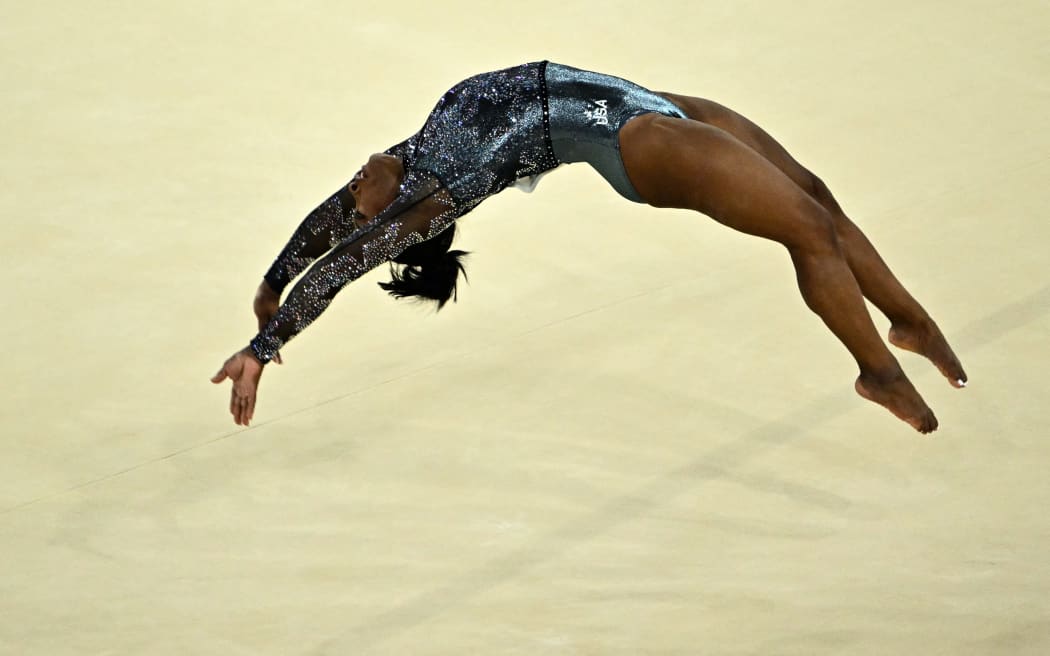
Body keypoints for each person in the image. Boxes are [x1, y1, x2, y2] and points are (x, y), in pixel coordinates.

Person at [211, 61, 967, 433]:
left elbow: (324, 228)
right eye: (361, 200)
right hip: (641, 144)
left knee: (817, 194)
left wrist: (272, 281)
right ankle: (878, 370)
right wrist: (265, 343)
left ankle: (908, 320)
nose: (353, 188)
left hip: (650, 103)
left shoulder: (410, 154)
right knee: (806, 229)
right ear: (406, 222)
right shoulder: (434, 197)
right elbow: (342, 262)